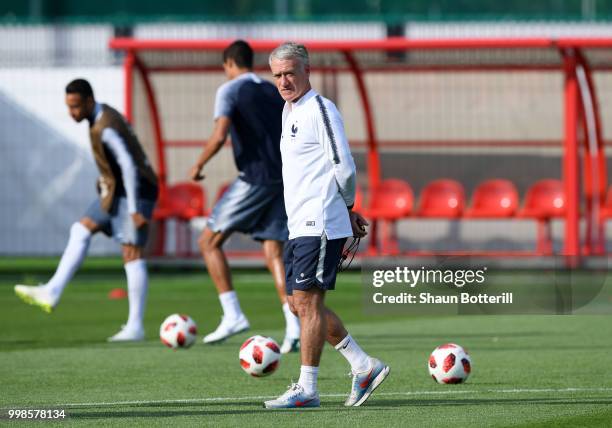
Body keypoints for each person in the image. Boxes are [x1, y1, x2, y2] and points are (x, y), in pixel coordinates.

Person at [264, 42, 390, 409]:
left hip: (318, 221)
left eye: (289, 73)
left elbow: (345, 166)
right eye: (277, 75)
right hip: (300, 222)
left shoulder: (320, 108)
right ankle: (363, 365)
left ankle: (308, 389)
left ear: (306, 70)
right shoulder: (289, 110)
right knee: (296, 304)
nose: (284, 81)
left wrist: (346, 207)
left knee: (308, 302)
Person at [14, 78, 158, 342]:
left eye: (76, 107)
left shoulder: (106, 127)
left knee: (132, 253)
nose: (72, 113)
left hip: (137, 190)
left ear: (90, 101)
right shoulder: (99, 117)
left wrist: (136, 209)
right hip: (115, 190)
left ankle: (135, 327)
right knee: (81, 229)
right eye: (69, 107)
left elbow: (128, 165)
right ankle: (52, 291)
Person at [188, 40, 300, 353]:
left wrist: (199, 163)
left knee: (208, 241)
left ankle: (233, 314)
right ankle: (293, 329)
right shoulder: (270, 89)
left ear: (228, 64)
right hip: (282, 179)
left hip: (254, 179)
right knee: (274, 251)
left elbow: (220, 133)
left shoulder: (230, 90)